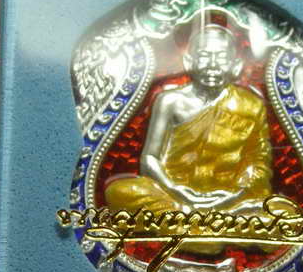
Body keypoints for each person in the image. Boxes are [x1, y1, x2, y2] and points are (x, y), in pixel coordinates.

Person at [105, 24, 274, 219]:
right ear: (188, 61)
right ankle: (206, 224)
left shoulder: (251, 105)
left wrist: (237, 194)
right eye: (204, 56)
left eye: (221, 58)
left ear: (235, 65)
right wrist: (174, 189)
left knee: (283, 211)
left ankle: (189, 224)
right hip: (174, 196)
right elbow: (150, 158)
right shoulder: (170, 101)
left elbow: (260, 162)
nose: (212, 64)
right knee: (120, 192)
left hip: (230, 200)